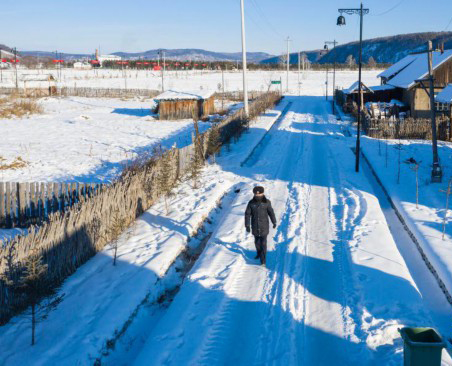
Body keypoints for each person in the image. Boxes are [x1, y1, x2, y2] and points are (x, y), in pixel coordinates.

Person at [244, 186, 277, 267]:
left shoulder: (267, 202)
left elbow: (271, 213)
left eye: (259, 194)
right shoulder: (251, 203)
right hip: (255, 226)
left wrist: (274, 222)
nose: (258, 196)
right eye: (256, 195)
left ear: (263, 193)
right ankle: (259, 253)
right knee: (257, 242)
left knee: (263, 243)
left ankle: (263, 261)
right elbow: (247, 214)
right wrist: (247, 225)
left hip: (264, 226)